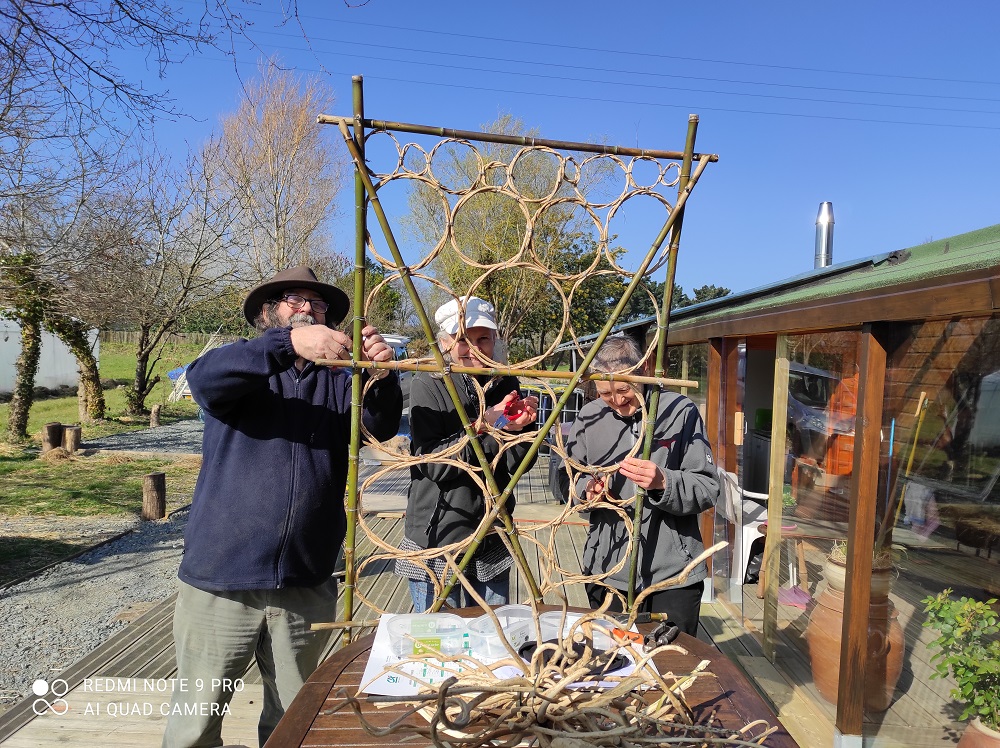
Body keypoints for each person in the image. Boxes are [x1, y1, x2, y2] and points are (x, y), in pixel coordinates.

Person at [162, 266, 402, 748]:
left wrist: (381, 378)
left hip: (305, 581)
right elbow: (203, 379)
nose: (308, 308)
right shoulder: (237, 369)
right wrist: (287, 345)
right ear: (267, 312)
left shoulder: (338, 381)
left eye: (318, 304)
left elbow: (378, 428)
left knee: (293, 722)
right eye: (294, 299)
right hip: (221, 581)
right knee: (195, 724)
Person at [565, 335, 720, 636]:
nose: (618, 400)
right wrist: (586, 490)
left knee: (672, 665)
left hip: (674, 574)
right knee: (610, 664)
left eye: (624, 389)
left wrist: (665, 482)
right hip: (607, 568)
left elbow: (707, 486)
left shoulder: (679, 410)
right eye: (605, 393)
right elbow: (565, 481)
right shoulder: (588, 416)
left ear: (645, 369)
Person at [395, 296, 538, 612]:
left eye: (482, 338)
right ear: (445, 342)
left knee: (493, 633)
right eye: (462, 339)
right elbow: (435, 465)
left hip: (492, 529)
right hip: (439, 534)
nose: (473, 347)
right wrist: (486, 426)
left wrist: (521, 431)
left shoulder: (505, 382)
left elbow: (517, 465)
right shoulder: (429, 384)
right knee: (438, 638)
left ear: (494, 339)